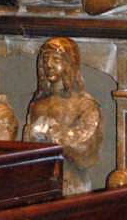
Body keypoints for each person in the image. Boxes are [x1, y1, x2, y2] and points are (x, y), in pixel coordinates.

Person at [23, 37, 103, 195]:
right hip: (39, 178)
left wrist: (53, 132)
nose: (49, 65)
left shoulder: (85, 104)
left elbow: (87, 150)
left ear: (69, 64)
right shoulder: (37, 103)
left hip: (70, 180)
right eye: (45, 60)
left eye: (56, 59)